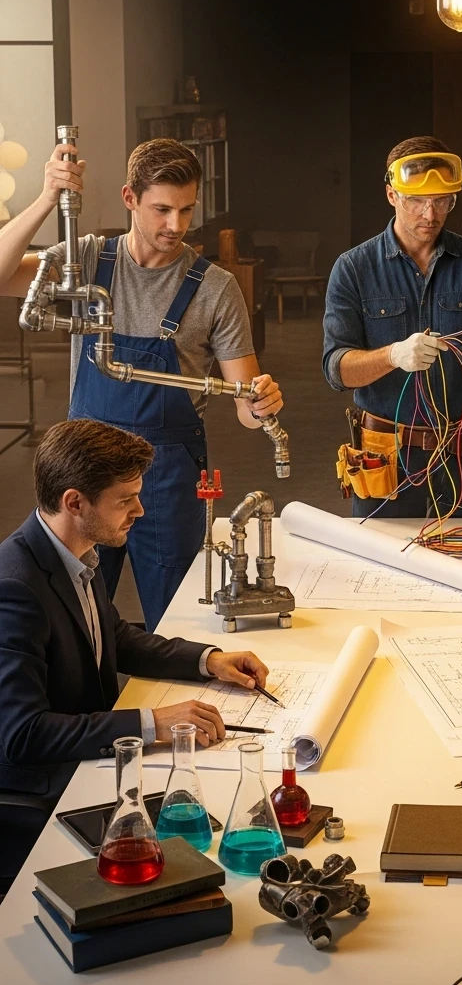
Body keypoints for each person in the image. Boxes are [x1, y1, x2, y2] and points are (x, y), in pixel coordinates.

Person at [0, 138, 284, 630]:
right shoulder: (86, 261)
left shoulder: (215, 288)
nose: (175, 226)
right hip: (82, 472)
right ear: (130, 198)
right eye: (161, 209)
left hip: (168, 476)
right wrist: (47, 198)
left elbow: (242, 400)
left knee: (177, 614)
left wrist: (259, 403)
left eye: (186, 210)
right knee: (71, 615)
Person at [0, 419, 269, 829]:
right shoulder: (15, 588)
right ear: (75, 503)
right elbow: (23, 734)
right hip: (52, 789)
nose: (140, 511)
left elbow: (113, 636)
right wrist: (150, 723)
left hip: (97, 757)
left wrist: (208, 660)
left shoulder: (75, 553)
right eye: (125, 500)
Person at [323, 136, 462, 518]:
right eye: (416, 200)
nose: (430, 215)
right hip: (385, 459)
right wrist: (393, 355)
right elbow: (337, 370)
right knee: (383, 570)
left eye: (441, 201)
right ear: (391, 195)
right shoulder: (354, 268)